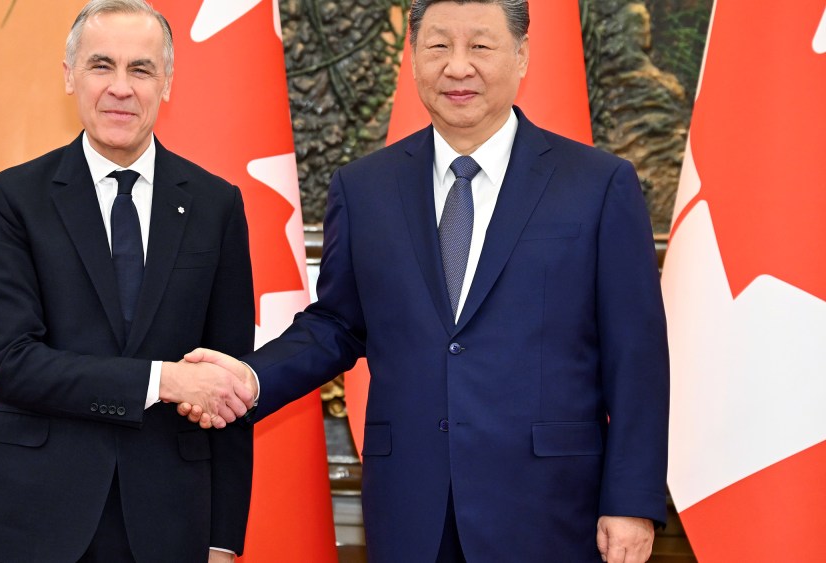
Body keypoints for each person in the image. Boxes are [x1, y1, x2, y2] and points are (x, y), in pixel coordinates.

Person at [181, 0, 670, 561]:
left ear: (522, 54)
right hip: (412, 506)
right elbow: (337, 325)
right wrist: (248, 376)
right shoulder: (364, 188)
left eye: (480, 46)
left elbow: (637, 356)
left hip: (551, 507)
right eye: (438, 46)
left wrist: (632, 501)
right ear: (413, 58)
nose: (457, 67)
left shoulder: (598, 184)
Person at [0, 1, 256, 561]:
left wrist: (223, 538)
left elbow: (228, 381)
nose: (121, 88)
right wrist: (161, 380)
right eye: (101, 66)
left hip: (170, 520)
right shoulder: (11, 200)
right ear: (69, 76)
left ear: (167, 82)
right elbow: (13, 361)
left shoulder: (217, 205)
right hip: (30, 517)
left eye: (141, 69)